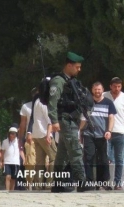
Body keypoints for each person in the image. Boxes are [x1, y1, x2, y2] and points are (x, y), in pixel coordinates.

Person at [47, 51, 88, 192]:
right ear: (69, 65)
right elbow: (52, 103)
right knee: (75, 151)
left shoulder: (69, 81)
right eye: (77, 67)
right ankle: (82, 182)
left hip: (71, 120)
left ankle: (57, 184)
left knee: (62, 154)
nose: (79, 69)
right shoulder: (58, 81)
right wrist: (54, 121)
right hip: (65, 120)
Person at [80, 82, 116, 190]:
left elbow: (111, 117)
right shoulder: (87, 102)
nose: (97, 91)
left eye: (99, 89)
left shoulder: (109, 102)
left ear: (102, 90)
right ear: (92, 90)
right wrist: (79, 131)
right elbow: (83, 118)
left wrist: (109, 131)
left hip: (103, 135)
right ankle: (90, 181)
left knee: (103, 159)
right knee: (89, 157)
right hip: (89, 134)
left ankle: (103, 182)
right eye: (95, 89)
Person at [27, 94, 57, 189]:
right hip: (45, 134)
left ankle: (38, 185)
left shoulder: (36, 101)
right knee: (54, 158)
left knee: (39, 161)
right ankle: (49, 184)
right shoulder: (44, 103)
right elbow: (50, 121)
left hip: (36, 134)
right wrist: (48, 135)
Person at [17, 88, 38, 190]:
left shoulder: (47, 105)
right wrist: (20, 138)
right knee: (30, 162)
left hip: (44, 137)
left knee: (46, 162)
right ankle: (29, 184)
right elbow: (23, 124)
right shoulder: (26, 106)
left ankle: (42, 184)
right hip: (31, 138)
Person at [0, 126, 21, 191]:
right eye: (11, 133)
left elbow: (21, 151)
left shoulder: (18, 141)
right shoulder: (5, 141)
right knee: (8, 176)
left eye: (14, 133)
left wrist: (24, 159)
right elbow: (2, 152)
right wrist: (1, 161)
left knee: (13, 178)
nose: (12, 135)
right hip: (7, 162)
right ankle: (7, 190)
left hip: (15, 162)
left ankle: (12, 190)